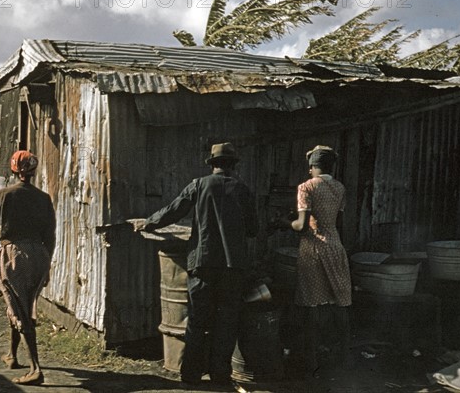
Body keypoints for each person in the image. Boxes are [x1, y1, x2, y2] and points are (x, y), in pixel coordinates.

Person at [134, 142, 258, 387]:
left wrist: (149, 223)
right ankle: (220, 375)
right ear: (233, 165)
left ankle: (190, 376)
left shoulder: (199, 185)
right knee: (226, 322)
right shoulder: (243, 190)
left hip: (202, 264)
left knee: (198, 321)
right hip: (233, 268)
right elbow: (253, 230)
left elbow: (174, 210)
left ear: (212, 165)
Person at [271, 145, 352, 375]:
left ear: (313, 167)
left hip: (314, 247)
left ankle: (311, 361)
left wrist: (282, 223)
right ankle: (345, 358)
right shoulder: (339, 187)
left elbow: (301, 226)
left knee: (311, 304)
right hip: (335, 245)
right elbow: (338, 219)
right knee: (341, 301)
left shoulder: (306, 187)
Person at [0, 150, 56, 386]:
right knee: (20, 304)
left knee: (19, 310)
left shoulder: (3, 195)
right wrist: (47, 263)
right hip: (39, 256)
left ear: (13, 169)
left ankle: (35, 369)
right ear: (33, 170)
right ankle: (12, 355)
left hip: (14, 256)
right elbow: (49, 236)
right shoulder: (44, 198)